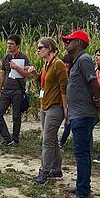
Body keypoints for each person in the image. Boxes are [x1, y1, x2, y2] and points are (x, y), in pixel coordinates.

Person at [61, 30, 100, 198]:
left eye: (69, 41)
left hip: (83, 113)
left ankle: (83, 194)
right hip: (79, 112)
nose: (66, 43)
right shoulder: (79, 60)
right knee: (81, 154)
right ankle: (81, 186)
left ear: (78, 42)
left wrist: (98, 101)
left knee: (82, 154)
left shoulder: (84, 60)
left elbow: (93, 82)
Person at [29, 37, 68, 184]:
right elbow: (45, 83)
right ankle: (56, 170)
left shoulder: (58, 65)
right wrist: (35, 74)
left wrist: (65, 108)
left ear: (49, 48)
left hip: (55, 107)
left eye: (41, 48)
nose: (38, 50)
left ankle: (44, 171)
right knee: (52, 141)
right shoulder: (47, 64)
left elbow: (64, 87)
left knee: (47, 141)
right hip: (45, 105)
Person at [0, 34, 31, 147]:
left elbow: (28, 74)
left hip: (18, 90)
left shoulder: (23, 57)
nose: (9, 46)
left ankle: (15, 139)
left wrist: (16, 67)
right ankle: (6, 138)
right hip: (6, 90)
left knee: (16, 116)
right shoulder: (6, 57)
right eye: (8, 43)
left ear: (17, 45)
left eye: (11, 44)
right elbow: (3, 74)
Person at [58, 53, 74, 148]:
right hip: (66, 101)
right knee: (67, 124)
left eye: (67, 62)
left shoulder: (73, 74)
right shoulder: (63, 73)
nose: (65, 64)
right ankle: (62, 142)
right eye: (64, 62)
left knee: (68, 124)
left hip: (71, 102)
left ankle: (62, 142)